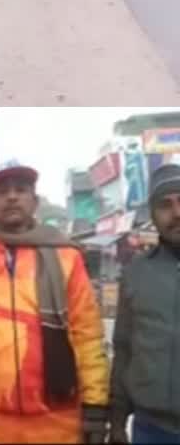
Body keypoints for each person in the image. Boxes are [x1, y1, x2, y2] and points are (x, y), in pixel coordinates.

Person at [0, 162, 109, 444]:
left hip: (55, 415)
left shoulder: (66, 257)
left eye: (21, 190)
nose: (12, 197)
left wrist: (96, 403)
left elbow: (87, 333)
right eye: (2, 192)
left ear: (34, 201)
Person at [109, 164, 180, 444]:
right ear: (152, 214)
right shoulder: (136, 273)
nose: (176, 214)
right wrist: (116, 422)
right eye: (165, 205)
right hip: (151, 430)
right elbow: (124, 348)